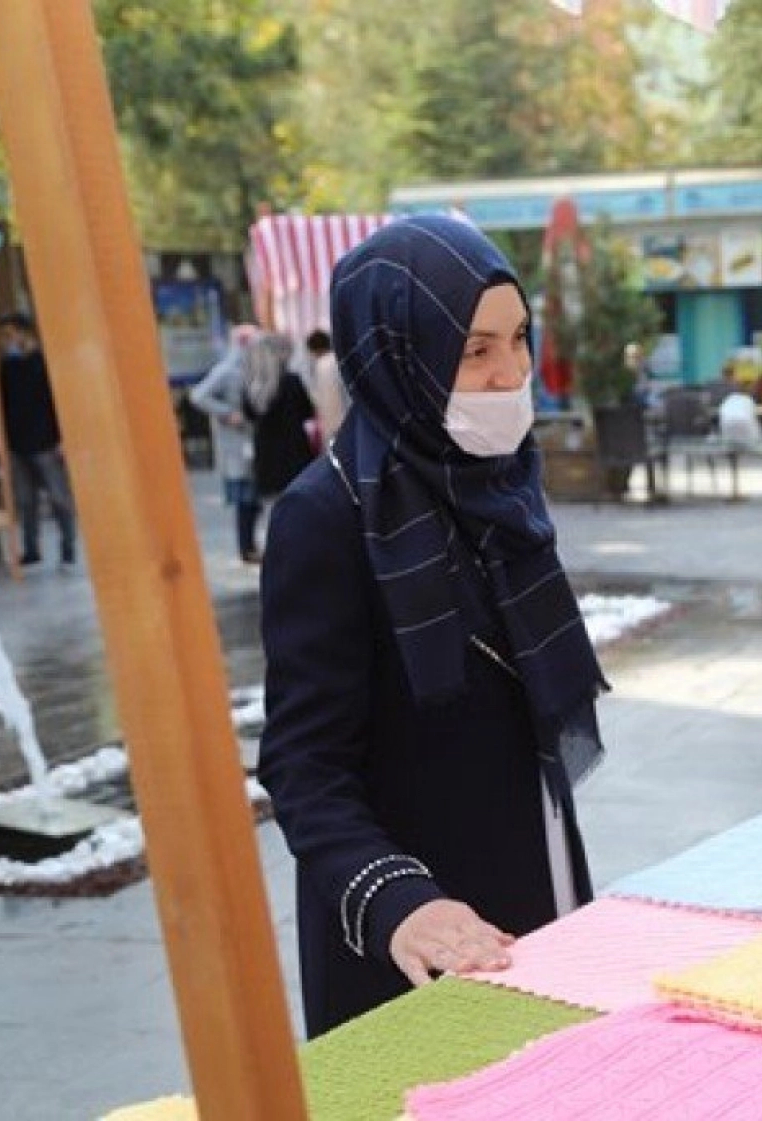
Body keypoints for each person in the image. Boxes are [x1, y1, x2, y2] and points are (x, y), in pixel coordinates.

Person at [258, 216, 606, 1037]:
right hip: (420, 942)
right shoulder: (328, 515)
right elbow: (305, 764)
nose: (510, 372)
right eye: (474, 348)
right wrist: (397, 899)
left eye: (518, 338)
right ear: (396, 349)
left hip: (540, 877)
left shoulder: (499, 481)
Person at [0, 312, 76, 570]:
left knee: (58, 496)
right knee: (25, 499)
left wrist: (63, 438)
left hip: (45, 440)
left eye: (9, 335)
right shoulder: (7, 367)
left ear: (24, 334)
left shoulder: (43, 364)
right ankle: (31, 549)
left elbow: (58, 402)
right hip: (17, 442)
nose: (5, 341)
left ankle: (68, 549)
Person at [190, 325, 264, 563]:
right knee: (246, 498)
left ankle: (251, 545)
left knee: (255, 497)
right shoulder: (226, 371)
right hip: (237, 444)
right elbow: (198, 395)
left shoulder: (253, 368)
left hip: (251, 442)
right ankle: (246, 547)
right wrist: (227, 413)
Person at [245, 332, 315, 519]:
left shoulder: (251, 387)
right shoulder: (291, 380)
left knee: (273, 511)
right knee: (301, 509)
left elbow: (249, 416)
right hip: (295, 452)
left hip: (266, 456)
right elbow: (308, 411)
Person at [306, 328, 349, 443]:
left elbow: (319, 400)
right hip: (347, 422)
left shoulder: (321, 365)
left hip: (333, 426)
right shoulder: (339, 360)